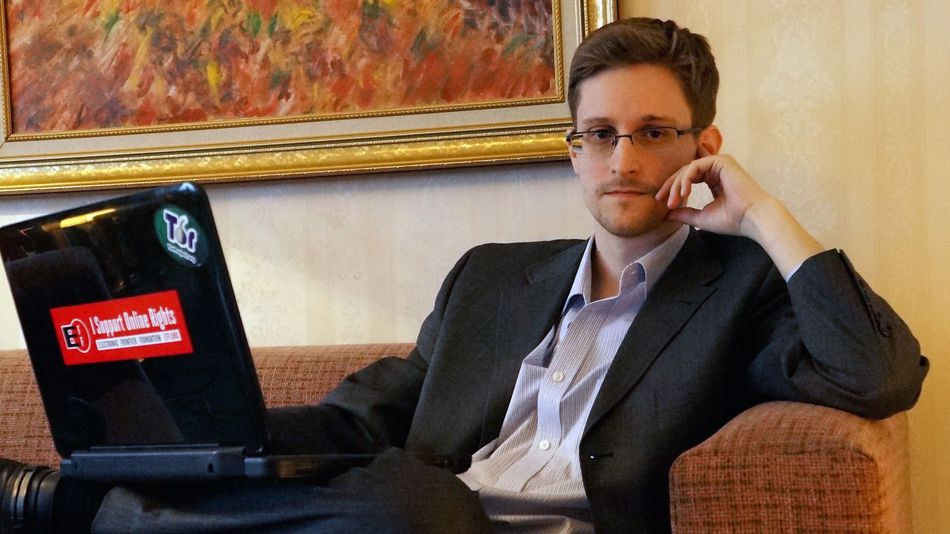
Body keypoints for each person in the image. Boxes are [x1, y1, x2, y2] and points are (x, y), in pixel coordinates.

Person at [0, 17, 928, 534]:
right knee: (369, 489)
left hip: (465, 522)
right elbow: (359, 418)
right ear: (572, 150)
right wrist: (210, 431)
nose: (623, 160)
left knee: (412, 499)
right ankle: (84, 499)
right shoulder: (490, 280)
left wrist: (762, 213)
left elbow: (878, 374)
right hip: (403, 520)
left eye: (654, 133)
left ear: (703, 145)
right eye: (600, 134)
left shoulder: (741, 290)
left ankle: (77, 514)